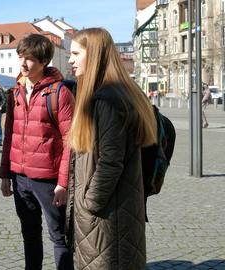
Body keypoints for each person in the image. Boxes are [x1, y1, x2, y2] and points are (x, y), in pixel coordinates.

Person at [67, 28, 157, 270]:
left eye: (76, 53)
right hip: (111, 216)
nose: (70, 60)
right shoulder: (113, 94)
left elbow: (110, 161)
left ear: (94, 54)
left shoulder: (107, 100)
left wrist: (89, 204)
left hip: (106, 220)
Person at [0, 33, 75, 270]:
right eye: (21, 57)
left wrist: (63, 183)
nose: (23, 63)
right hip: (20, 177)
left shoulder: (59, 93)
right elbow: (9, 134)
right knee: (29, 234)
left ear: (43, 61)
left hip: (49, 180)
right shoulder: (16, 91)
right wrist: (5, 174)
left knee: (58, 236)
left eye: (29, 59)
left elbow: (71, 142)